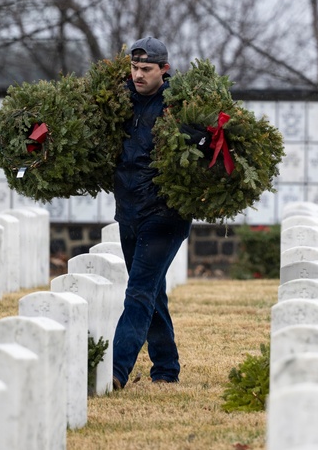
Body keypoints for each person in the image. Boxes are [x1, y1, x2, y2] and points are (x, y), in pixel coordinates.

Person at [111, 36, 192, 389]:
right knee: (152, 292)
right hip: (128, 212)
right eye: (134, 68)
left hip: (165, 215)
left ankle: (115, 370)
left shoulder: (179, 107)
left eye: (146, 69)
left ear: (164, 69)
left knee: (139, 292)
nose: (138, 75)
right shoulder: (118, 102)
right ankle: (166, 369)